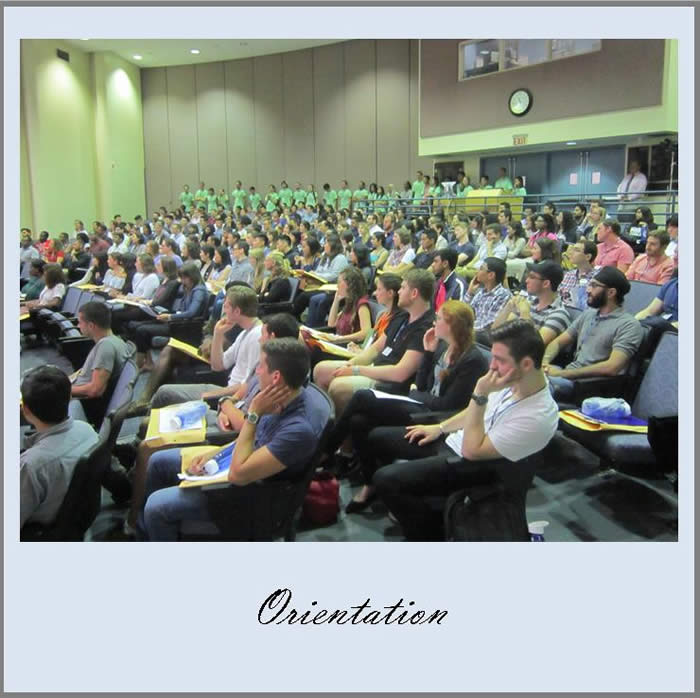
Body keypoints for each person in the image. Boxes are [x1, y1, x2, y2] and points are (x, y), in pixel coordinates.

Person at [367, 320, 559, 541]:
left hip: (472, 465)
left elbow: (472, 451)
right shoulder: (512, 381)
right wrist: (439, 428)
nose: (492, 366)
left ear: (526, 364)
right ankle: (417, 508)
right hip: (455, 441)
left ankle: (430, 534)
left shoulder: (539, 415)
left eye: (500, 360)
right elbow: (472, 412)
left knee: (386, 480)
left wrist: (480, 393)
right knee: (377, 438)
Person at [139, 339, 323, 541]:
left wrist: (253, 415)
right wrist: (213, 454)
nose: (257, 371)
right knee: (157, 461)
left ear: (276, 376)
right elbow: (251, 441)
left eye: (261, 366)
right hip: (239, 467)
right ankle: (144, 532)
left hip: (250, 499)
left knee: (156, 507)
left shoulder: (298, 430)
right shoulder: (279, 398)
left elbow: (238, 475)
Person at [328, 301, 489, 501]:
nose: (434, 322)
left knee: (362, 396)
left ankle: (326, 450)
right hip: (422, 405)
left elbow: (448, 405)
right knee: (357, 421)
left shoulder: (472, 360)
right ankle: (369, 483)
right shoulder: (442, 347)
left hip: (434, 417)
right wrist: (428, 352)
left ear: (452, 325)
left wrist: (416, 395)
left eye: (439, 319)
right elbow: (421, 384)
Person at [314, 269, 435, 414]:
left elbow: (400, 373)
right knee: (320, 370)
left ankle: (340, 425)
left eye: (403, 288)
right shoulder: (402, 316)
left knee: (338, 387)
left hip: (389, 382)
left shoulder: (425, 328)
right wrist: (350, 364)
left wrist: (356, 370)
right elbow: (375, 349)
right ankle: (324, 418)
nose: (399, 292)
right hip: (375, 367)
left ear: (414, 293)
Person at [543, 267, 644, 401]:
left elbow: (612, 367)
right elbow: (558, 342)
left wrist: (564, 373)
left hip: (588, 386)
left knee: (535, 387)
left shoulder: (629, 325)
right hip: (568, 375)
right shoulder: (589, 314)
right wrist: (545, 362)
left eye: (594, 286)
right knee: (525, 373)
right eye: (589, 284)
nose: (588, 290)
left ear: (611, 292)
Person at [20, 366, 99, 530]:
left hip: (39, 533)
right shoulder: (87, 430)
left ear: (25, 410)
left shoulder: (32, 465)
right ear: (69, 397)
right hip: (78, 519)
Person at [129, 262, 208, 371]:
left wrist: (170, 317)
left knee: (142, 330)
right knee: (140, 327)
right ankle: (148, 362)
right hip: (178, 321)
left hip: (184, 326)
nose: (182, 281)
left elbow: (191, 313)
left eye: (184, 278)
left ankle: (140, 363)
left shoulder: (199, 291)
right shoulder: (189, 288)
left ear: (192, 277)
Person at [69, 302, 131, 426]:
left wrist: (63, 390)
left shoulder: (106, 346)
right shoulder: (117, 341)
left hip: (80, 403)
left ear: (91, 325)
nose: (78, 325)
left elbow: (95, 390)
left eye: (80, 322)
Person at [492, 260, 570, 346]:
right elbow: (495, 332)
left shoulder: (559, 315)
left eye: (532, 277)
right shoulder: (528, 301)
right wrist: (508, 307)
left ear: (546, 283)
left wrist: (525, 314)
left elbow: (532, 347)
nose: (526, 280)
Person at [464, 257, 512, 344]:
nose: (477, 271)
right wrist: (469, 293)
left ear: (491, 275)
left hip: (486, 339)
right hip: (474, 333)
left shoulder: (503, 296)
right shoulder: (480, 292)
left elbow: (488, 325)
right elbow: (465, 311)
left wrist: (466, 328)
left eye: (481, 269)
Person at [558, 240, 599, 309]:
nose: (571, 253)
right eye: (572, 249)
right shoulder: (568, 275)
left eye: (576, 250)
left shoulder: (597, 278)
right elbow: (559, 296)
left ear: (588, 257)